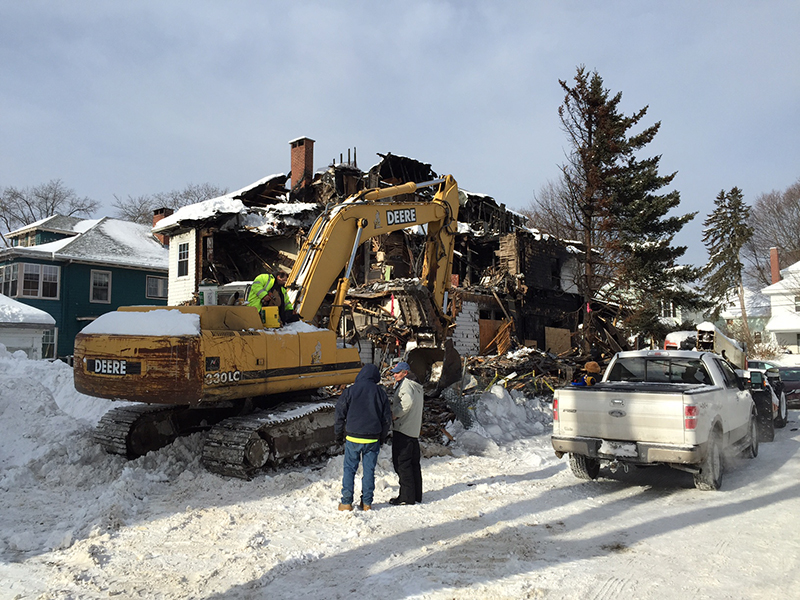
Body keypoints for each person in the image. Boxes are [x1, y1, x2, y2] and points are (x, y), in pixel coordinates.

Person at [334, 363, 392, 512]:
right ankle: (366, 503)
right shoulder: (380, 393)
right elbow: (386, 419)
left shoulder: (350, 391)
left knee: (349, 470)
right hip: (372, 439)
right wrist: (382, 437)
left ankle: (346, 502)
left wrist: (338, 435)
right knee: (369, 471)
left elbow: (339, 414)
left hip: (353, 437)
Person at [389, 361, 424, 506]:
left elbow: (407, 402)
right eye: (394, 373)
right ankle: (416, 495)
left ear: (405, 373)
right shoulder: (417, 386)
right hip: (413, 430)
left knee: (402, 464)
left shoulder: (406, 385)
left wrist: (395, 414)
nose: (395, 375)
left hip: (403, 430)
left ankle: (406, 496)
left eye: (398, 372)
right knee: (414, 464)